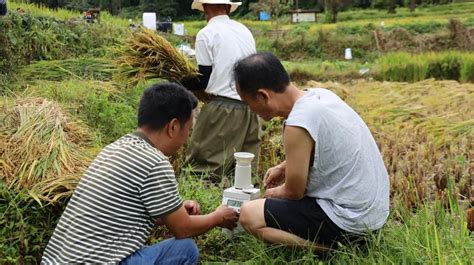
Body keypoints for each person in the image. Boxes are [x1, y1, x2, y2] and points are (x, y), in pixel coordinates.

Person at [41, 83, 239, 264]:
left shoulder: (115, 148)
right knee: (185, 249)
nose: (186, 140)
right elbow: (183, 228)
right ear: (173, 127)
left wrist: (173, 211)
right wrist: (219, 216)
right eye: (188, 131)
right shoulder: (154, 162)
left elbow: (124, 210)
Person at [234, 52, 390, 252]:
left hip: (351, 222)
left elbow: (293, 192)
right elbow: (323, 147)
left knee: (249, 214)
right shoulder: (321, 96)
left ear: (264, 95)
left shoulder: (297, 123)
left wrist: (270, 194)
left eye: (248, 103)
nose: (250, 109)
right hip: (375, 216)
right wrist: (284, 166)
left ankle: (335, 249)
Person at [181, 0, 261, 179]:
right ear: (228, 7)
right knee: (243, 173)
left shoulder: (206, 33)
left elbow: (203, 79)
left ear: (205, 7)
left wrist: (179, 80)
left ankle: (200, 206)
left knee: (203, 170)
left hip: (222, 110)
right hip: (251, 109)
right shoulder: (243, 30)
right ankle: (242, 207)